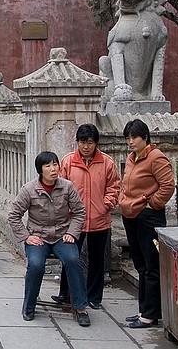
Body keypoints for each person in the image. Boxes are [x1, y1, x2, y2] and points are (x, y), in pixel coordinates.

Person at [8, 151, 91, 327]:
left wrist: (72, 233)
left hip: (62, 236)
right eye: (48, 166)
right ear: (40, 170)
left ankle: (81, 307)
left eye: (55, 164)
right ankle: (29, 305)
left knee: (73, 260)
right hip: (38, 237)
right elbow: (14, 215)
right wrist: (26, 237)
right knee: (36, 265)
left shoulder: (67, 187)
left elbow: (79, 212)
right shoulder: (29, 189)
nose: (53, 169)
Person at [53, 123, 120, 310]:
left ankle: (94, 297)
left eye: (90, 142)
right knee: (70, 257)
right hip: (74, 220)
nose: (86, 146)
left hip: (100, 219)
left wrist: (106, 204)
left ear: (96, 143)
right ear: (77, 142)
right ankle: (65, 294)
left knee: (97, 260)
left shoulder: (106, 162)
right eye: (82, 142)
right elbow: (60, 188)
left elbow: (114, 187)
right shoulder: (68, 162)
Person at [119, 118, 175, 329]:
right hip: (131, 214)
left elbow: (168, 185)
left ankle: (150, 315)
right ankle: (144, 310)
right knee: (140, 265)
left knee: (152, 265)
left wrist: (153, 204)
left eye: (134, 137)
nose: (131, 142)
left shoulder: (155, 157)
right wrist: (123, 199)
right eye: (128, 138)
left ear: (145, 137)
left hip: (148, 216)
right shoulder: (132, 158)